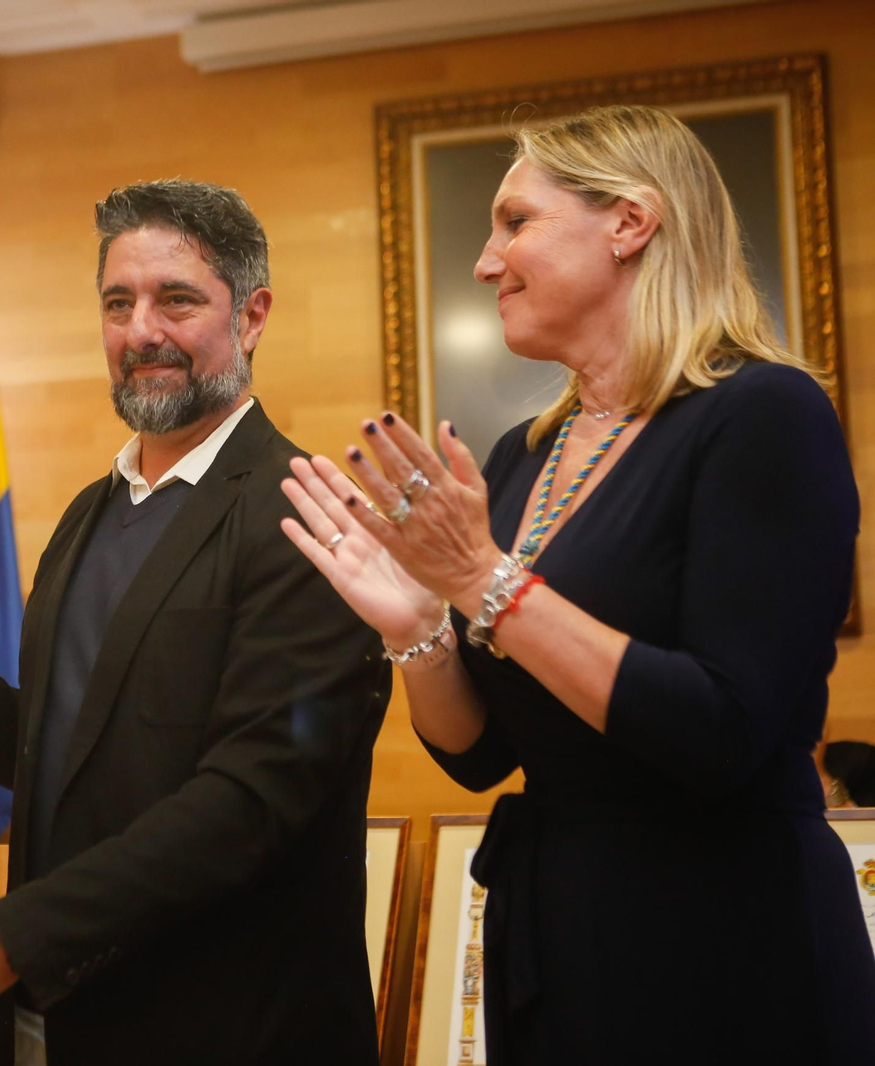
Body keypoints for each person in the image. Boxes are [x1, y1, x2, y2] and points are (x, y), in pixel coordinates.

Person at [281, 105, 875, 1063]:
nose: (487, 262)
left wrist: (486, 580)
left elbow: (720, 731)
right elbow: (482, 755)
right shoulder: (527, 455)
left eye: (516, 222)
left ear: (630, 223)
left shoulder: (764, 413)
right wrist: (418, 630)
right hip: (559, 936)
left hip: (723, 940)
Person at [0, 180, 390, 1065]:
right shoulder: (88, 513)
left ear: (252, 316)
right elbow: (61, 754)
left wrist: (20, 933)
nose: (140, 331)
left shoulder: (306, 515)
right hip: (54, 1023)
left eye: (176, 300)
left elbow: (251, 800)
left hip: (229, 1030)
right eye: (118, 304)